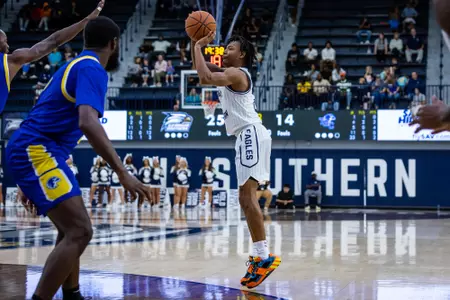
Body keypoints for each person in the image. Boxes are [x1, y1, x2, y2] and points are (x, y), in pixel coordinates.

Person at [5, 15, 152, 300]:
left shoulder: (70, 65)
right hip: (37, 150)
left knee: (70, 229)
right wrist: (122, 171)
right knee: (81, 230)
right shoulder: (92, 69)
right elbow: (88, 122)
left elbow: (45, 113)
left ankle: (73, 294)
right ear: (114, 44)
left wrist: (27, 179)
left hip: (36, 151)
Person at [192, 32, 281, 289]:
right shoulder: (229, 73)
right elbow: (200, 66)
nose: (224, 50)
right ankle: (258, 255)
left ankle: (263, 256)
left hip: (250, 133)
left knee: (247, 197)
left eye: (229, 48)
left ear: (241, 54)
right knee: (245, 198)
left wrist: (198, 45)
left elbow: (204, 77)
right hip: (247, 135)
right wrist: (193, 41)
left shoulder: (236, 73)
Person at [0, 1, 106, 115]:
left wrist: (86, 20)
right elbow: (54, 41)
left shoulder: (10, 60)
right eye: (5, 41)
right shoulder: (11, 60)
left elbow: (54, 41)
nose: (8, 45)